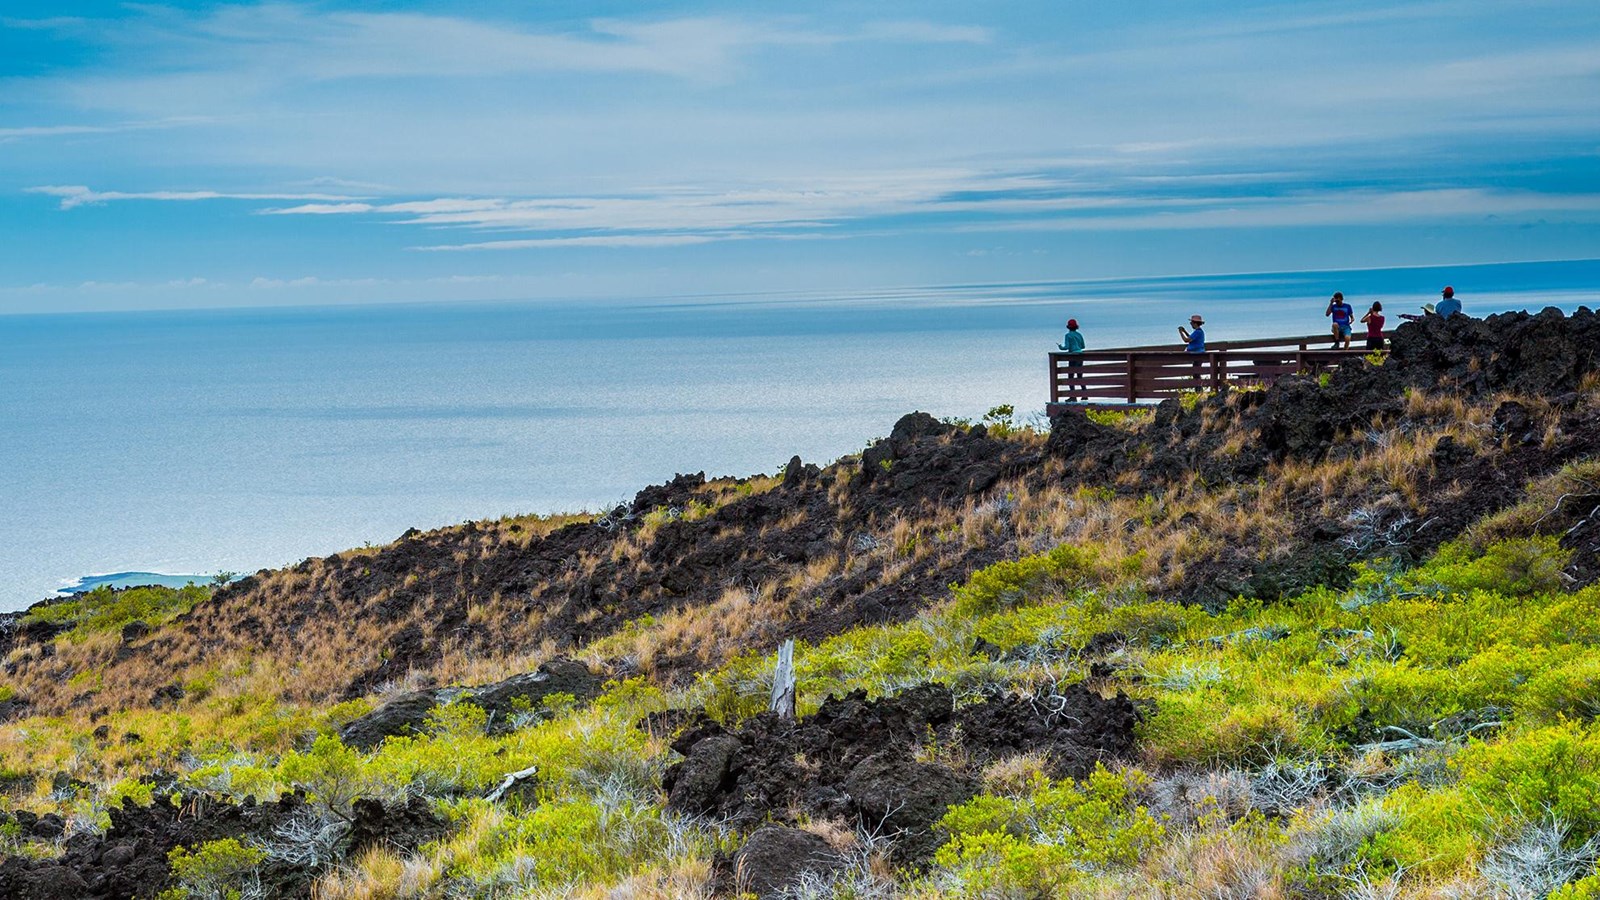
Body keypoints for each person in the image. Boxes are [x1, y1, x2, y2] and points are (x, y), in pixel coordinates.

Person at [1058, 318, 1085, 400]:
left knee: (1071, 376)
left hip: (1073, 356)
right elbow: (1083, 346)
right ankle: (1085, 394)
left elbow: (1067, 347)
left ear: (1068, 327)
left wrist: (1060, 347)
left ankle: (1073, 396)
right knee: (1080, 376)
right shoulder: (1079, 335)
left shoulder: (1068, 335)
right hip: (1080, 355)